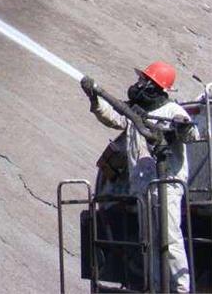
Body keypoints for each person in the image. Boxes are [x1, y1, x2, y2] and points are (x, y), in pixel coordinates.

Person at [81, 61, 199, 293]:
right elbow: (115, 118)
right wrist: (95, 100)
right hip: (143, 189)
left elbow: (190, 132)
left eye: (145, 80)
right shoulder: (136, 111)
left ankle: (180, 289)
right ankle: (156, 288)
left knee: (169, 239)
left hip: (166, 187)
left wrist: (181, 128)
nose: (139, 84)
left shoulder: (171, 111)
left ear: (156, 86)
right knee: (150, 243)